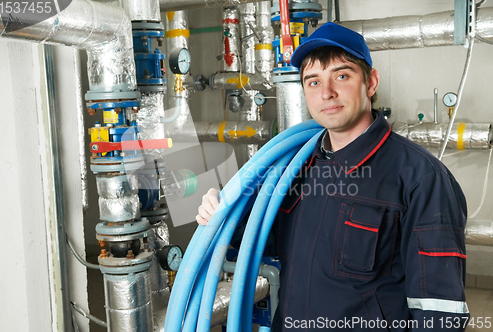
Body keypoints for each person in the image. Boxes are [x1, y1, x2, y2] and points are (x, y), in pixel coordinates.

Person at [196, 22, 469, 331]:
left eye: (341, 76)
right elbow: (263, 239)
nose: (326, 93)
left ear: (371, 82)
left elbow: (440, 312)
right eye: (313, 82)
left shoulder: (421, 178)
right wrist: (223, 213)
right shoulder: (296, 168)